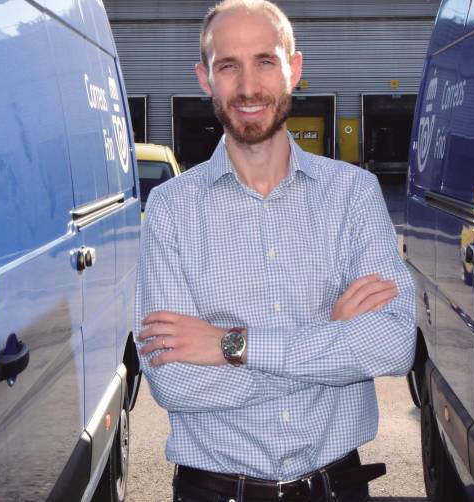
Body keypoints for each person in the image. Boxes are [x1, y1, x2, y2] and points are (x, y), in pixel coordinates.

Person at [135, 1, 416, 500]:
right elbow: (174, 384)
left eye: (265, 61)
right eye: (228, 66)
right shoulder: (170, 209)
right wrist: (329, 341)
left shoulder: (354, 194)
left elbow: (394, 345)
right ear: (205, 78)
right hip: (214, 491)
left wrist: (230, 346)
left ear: (295, 69)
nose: (247, 88)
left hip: (337, 487)